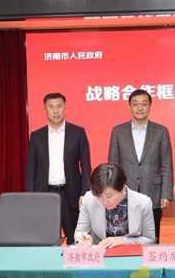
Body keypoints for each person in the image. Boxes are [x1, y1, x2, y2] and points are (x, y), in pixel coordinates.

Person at [25, 92, 91, 244]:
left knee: (75, 238)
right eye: (51, 107)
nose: (55, 111)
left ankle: (74, 259)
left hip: (71, 193)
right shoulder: (36, 136)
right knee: (46, 239)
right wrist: (31, 196)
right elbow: (31, 169)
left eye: (59, 106)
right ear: (45, 109)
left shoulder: (78, 133)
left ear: (65, 108)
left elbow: (86, 166)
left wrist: (84, 193)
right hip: (45, 193)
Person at [108, 89, 173, 242]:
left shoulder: (161, 131)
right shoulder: (118, 131)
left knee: (152, 237)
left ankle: (151, 258)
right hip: (124, 193)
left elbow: (166, 164)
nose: (140, 108)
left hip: (153, 192)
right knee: (124, 236)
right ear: (130, 106)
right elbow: (113, 165)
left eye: (144, 104)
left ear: (150, 106)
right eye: (135, 104)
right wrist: (113, 191)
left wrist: (166, 194)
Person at [74, 164, 156, 247]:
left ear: (123, 188)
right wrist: (82, 239)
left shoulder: (143, 203)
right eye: (99, 196)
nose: (104, 201)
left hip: (131, 252)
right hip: (102, 252)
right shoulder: (89, 199)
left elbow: (150, 239)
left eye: (109, 196)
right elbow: (80, 231)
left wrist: (122, 241)